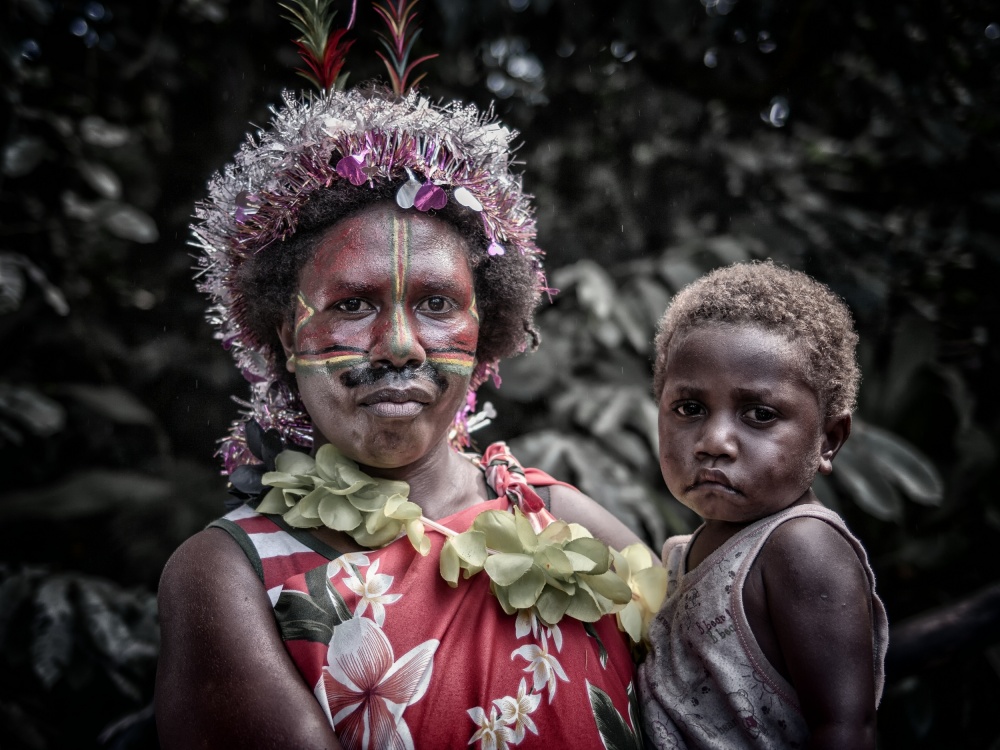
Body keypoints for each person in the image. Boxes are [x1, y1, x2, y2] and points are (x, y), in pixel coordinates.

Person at [153, 35, 650, 750]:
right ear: (287, 336)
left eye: (438, 304)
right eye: (352, 305)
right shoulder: (229, 575)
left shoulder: (560, 519)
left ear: (486, 330)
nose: (401, 345)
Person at [637, 261, 889, 749]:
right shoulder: (686, 551)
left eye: (759, 414)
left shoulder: (802, 546)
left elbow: (846, 731)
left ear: (828, 440)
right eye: (689, 409)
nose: (714, 441)